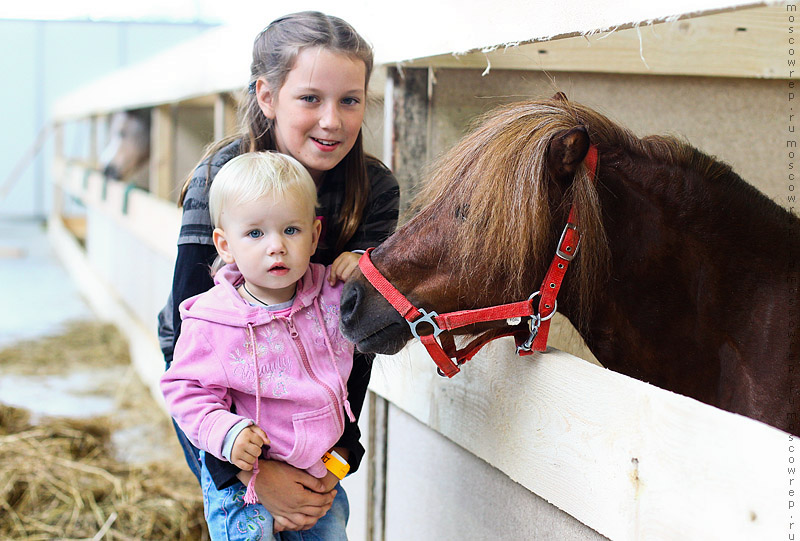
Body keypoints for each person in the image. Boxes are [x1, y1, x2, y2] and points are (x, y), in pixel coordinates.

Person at [156, 10, 399, 533]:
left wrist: (336, 456)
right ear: (267, 97)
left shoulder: (374, 190)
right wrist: (247, 473)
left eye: (350, 100)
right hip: (223, 410)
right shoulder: (222, 175)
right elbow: (185, 334)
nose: (332, 120)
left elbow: (355, 337)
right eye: (310, 98)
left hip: (312, 422)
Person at [162, 151, 356, 540]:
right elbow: (182, 389)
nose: (276, 247)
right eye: (255, 233)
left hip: (319, 482)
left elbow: (388, 300)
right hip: (243, 488)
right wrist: (227, 433)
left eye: (291, 230)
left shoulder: (332, 295)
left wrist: (363, 268)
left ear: (315, 235)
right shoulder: (212, 319)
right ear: (224, 244)